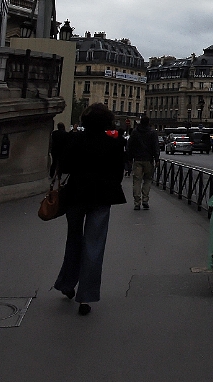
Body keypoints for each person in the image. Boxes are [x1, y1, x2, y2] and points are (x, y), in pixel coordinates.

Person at [53, 103, 127, 315]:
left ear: (85, 121)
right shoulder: (114, 144)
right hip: (102, 196)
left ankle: (67, 283)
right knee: (94, 245)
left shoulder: (74, 139)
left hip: (76, 194)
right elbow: (118, 173)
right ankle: (86, 296)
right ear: (107, 122)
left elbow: (65, 166)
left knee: (73, 240)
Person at [127, 116, 158, 210]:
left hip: (137, 159)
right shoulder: (152, 132)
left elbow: (130, 145)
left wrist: (129, 158)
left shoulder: (135, 132)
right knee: (147, 180)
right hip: (148, 159)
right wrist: (157, 159)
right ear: (148, 122)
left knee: (137, 181)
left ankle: (137, 202)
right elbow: (155, 146)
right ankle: (145, 199)